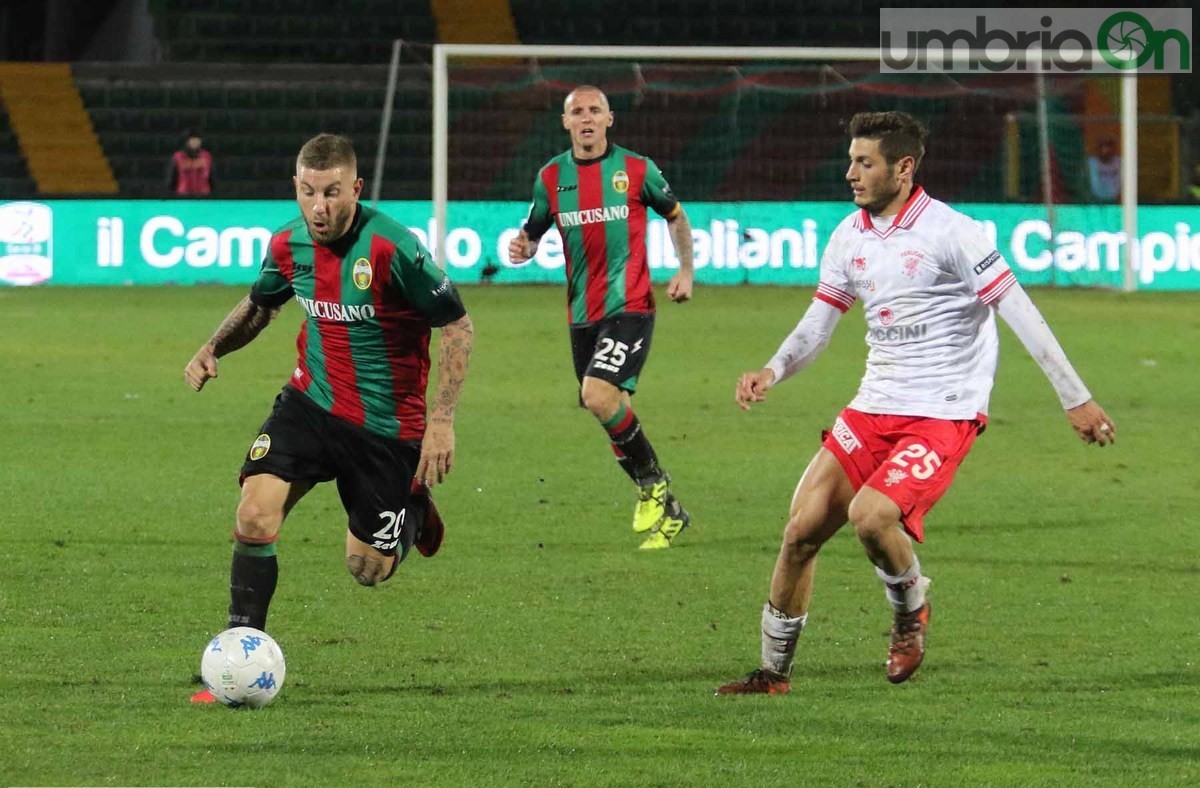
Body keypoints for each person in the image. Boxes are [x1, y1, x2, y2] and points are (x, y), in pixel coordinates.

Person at [716, 111, 1116, 696]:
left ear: (903, 168)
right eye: (851, 159)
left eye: (864, 162)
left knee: (871, 516)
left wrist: (1074, 398)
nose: (850, 172)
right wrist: (774, 369)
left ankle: (910, 609)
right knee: (800, 532)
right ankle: (772, 675)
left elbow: (1019, 310)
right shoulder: (848, 235)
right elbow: (819, 322)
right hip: (876, 403)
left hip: (943, 409)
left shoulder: (953, 232)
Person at [183, 133, 473, 701]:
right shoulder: (288, 244)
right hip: (310, 404)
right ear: (296, 187)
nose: (320, 207)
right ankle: (242, 649)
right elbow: (261, 305)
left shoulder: (394, 247)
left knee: (367, 569)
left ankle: (413, 507)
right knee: (254, 516)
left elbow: (457, 325)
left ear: (356, 188)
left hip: (385, 428)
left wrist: (442, 419)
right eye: (309, 192)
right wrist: (211, 347)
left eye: (333, 193)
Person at [507, 85, 695, 551]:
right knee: (608, 408)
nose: (587, 118)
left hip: (630, 306)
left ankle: (652, 482)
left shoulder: (636, 169)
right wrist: (522, 249)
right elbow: (532, 234)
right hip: (581, 315)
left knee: (597, 394)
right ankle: (670, 510)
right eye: (578, 112)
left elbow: (675, 215)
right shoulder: (550, 177)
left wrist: (686, 270)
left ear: (609, 119)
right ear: (566, 122)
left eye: (595, 111)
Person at [168, 129, 214, 196]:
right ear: (186, 141)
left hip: (204, 196)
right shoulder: (177, 157)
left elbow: (212, 178)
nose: (195, 142)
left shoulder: (207, 156)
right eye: (192, 139)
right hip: (183, 196)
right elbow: (172, 179)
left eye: (198, 139)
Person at [1086, 137, 1121, 202]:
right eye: (1103, 149)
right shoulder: (1090, 163)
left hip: (1115, 200)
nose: (1106, 152)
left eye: (1109, 150)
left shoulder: (1121, 162)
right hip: (1095, 200)